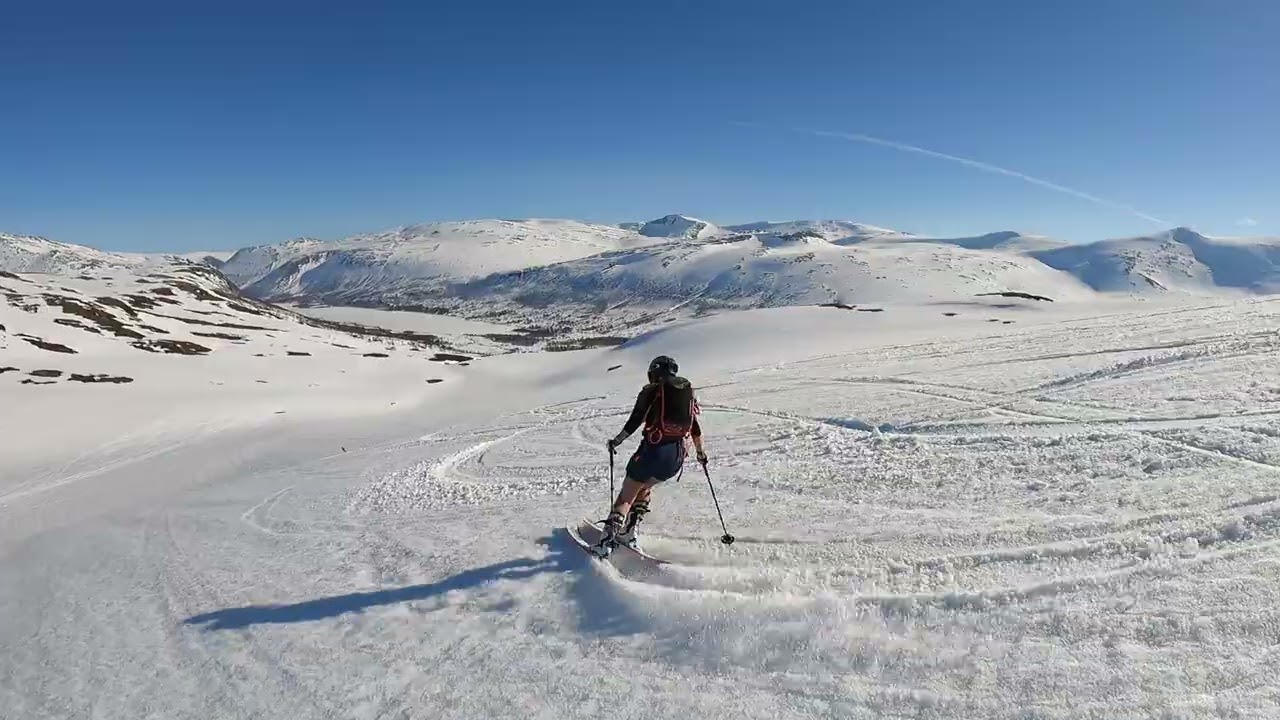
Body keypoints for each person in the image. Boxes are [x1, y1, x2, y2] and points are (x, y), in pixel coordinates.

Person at [599, 354, 707, 550]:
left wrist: (616, 441)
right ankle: (629, 533)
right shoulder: (686, 393)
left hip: (652, 452)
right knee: (644, 487)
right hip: (675, 459)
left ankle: (605, 544)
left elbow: (635, 419)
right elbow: (695, 428)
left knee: (626, 495)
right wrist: (701, 454)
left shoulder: (652, 391)